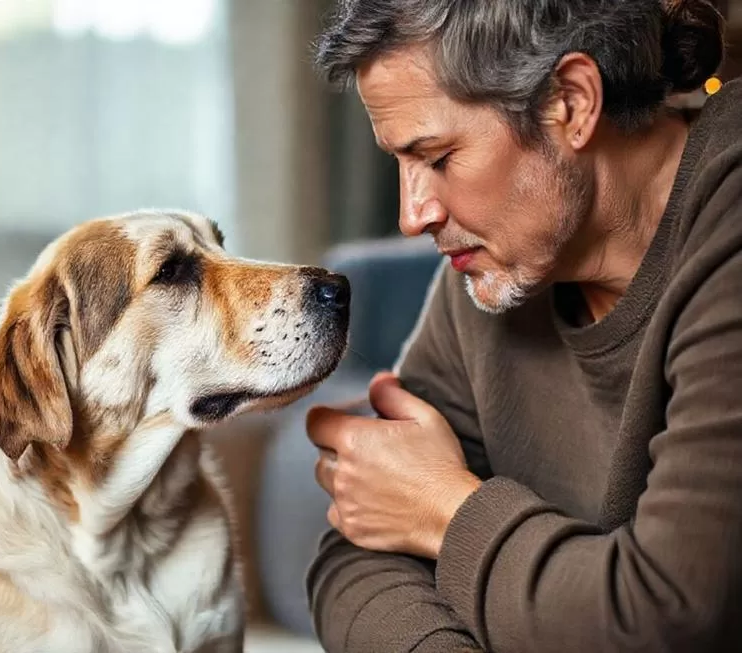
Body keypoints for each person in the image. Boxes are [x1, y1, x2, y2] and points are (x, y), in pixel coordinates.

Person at [303, 1, 742, 651]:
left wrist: (443, 511)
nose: (411, 215)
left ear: (571, 102)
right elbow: (356, 553)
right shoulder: (493, 279)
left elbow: (667, 614)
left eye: (438, 157)